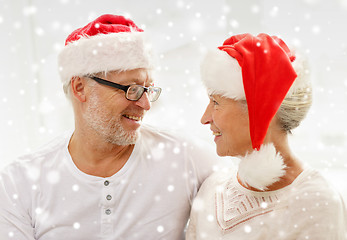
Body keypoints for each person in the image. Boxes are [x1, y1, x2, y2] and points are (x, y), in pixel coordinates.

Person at [0, 14, 221, 240]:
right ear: (80, 88)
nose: (145, 104)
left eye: (148, 90)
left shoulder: (188, 160)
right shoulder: (19, 184)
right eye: (131, 89)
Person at [186, 33, 347, 239]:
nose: (205, 118)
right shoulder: (212, 187)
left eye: (216, 102)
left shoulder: (316, 202)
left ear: (260, 111)